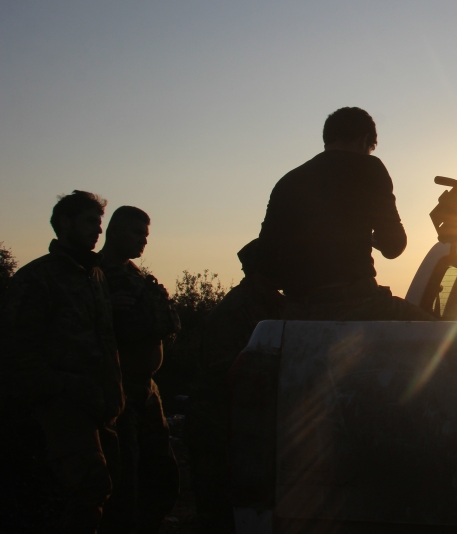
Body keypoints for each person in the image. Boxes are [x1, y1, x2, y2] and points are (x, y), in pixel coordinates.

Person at [0, 191, 123, 533]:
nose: (97, 230)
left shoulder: (95, 276)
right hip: (60, 412)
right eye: (89, 222)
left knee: (107, 495)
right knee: (81, 498)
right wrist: (69, 389)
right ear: (63, 224)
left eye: (99, 224)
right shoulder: (35, 279)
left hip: (101, 408)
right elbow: (20, 357)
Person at [257, 106, 433, 321]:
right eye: (369, 148)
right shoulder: (369, 168)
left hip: (297, 310)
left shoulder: (287, 182)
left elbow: (265, 257)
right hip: (358, 304)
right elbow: (394, 246)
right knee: (442, 337)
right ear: (364, 140)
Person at [185, 239, 285, 534]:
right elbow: (224, 369)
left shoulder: (275, 303)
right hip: (218, 423)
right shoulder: (235, 309)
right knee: (221, 507)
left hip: (246, 422)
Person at [98, 206, 180, 533]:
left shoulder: (136, 276)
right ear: (114, 232)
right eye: (136, 233)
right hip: (119, 389)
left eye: (145, 235)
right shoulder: (94, 276)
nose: (143, 241)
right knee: (125, 472)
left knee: (160, 468)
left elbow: (168, 322)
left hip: (147, 390)